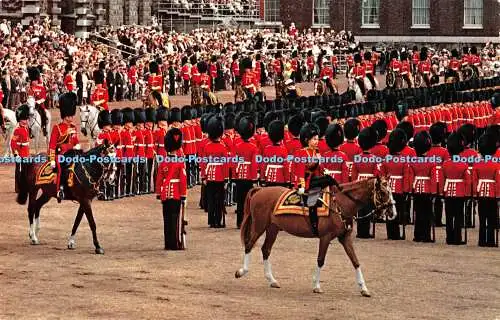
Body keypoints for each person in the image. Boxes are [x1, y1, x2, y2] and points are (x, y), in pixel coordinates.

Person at [294, 123, 338, 237]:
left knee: (328, 179)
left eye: (317, 139)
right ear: (307, 140)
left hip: (316, 179)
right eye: (314, 139)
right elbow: (299, 171)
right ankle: (314, 227)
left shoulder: (316, 152)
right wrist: (301, 186)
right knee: (312, 203)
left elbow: (320, 167)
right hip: (307, 182)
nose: (317, 141)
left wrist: (325, 171)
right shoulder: (301, 153)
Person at [156, 127, 187, 250]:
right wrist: (183, 195)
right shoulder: (180, 162)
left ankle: (168, 243)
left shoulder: (163, 162)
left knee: (166, 219)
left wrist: (159, 192)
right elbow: (183, 180)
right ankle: (174, 243)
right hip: (176, 194)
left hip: (165, 194)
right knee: (175, 219)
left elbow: (159, 179)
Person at [48, 92, 80, 202]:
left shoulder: (73, 127)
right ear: (65, 115)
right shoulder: (57, 128)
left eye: (72, 115)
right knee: (61, 167)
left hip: (72, 153)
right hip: (60, 154)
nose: (71, 117)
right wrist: (52, 159)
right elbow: (52, 145)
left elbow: (75, 141)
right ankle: (60, 189)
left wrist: (77, 145)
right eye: (70, 115)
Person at [440, 132, 471, 245]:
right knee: (458, 216)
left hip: (448, 192)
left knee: (449, 216)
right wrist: (467, 194)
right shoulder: (463, 164)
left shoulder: (445, 164)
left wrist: (442, 193)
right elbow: (468, 181)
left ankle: (449, 238)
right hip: (460, 193)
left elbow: (443, 180)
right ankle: (457, 238)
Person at [381, 129, 410, 240]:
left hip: (388, 187)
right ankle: (396, 234)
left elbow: (383, 176)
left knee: (389, 210)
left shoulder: (386, 159)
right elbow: (406, 177)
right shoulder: (403, 160)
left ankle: (390, 233)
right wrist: (406, 190)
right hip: (399, 188)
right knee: (397, 210)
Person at [201, 115, 229, 228]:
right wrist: (226, 179)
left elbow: (203, 163)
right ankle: (218, 220)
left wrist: (203, 177)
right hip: (220, 176)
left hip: (210, 176)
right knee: (219, 200)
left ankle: (211, 221)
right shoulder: (223, 147)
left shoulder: (207, 146)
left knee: (211, 199)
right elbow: (225, 165)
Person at [408, 131, 436, 243]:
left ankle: (417, 235)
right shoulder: (431, 162)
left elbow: (410, 177)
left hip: (416, 188)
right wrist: (434, 192)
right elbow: (433, 180)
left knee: (418, 212)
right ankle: (426, 236)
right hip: (427, 189)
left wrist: (410, 190)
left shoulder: (413, 161)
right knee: (427, 213)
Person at [352, 127, 379, 238]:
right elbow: (376, 174)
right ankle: (365, 232)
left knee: (360, 208)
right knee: (367, 207)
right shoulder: (374, 158)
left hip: (359, 182)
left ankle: (360, 231)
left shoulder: (357, 158)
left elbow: (354, 174)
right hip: (369, 183)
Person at [472, 134, 499, 247]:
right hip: (492, 194)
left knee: (482, 218)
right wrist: (498, 196)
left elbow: (474, 181)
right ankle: (491, 240)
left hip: (481, 192)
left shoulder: (477, 165)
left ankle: (482, 240)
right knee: (492, 218)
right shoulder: (496, 165)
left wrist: (474, 195)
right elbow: (498, 182)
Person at [233, 116, 259, 228]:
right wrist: (254, 178)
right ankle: (247, 222)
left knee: (240, 201)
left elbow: (234, 163)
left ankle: (239, 222)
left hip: (239, 176)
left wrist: (234, 176)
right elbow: (254, 165)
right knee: (248, 201)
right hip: (248, 177)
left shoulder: (237, 145)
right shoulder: (253, 147)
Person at [427, 122, 450, 227]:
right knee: (439, 201)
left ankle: (430, 218)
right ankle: (438, 220)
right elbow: (446, 166)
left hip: (429, 178)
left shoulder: (427, 151)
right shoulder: (444, 151)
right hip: (440, 178)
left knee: (429, 200)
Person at [261, 120, 289, 187]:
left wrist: (262, 178)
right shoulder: (283, 149)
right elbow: (286, 167)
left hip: (268, 178)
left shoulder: (267, 149)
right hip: (280, 179)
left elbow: (264, 165)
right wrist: (287, 181)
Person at [11, 104, 30, 194]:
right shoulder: (17, 130)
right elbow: (13, 142)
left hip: (25, 151)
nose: (25, 121)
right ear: (20, 119)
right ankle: (17, 187)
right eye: (23, 119)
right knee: (19, 170)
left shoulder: (26, 127)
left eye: (26, 119)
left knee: (25, 170)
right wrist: (16, 153)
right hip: (19, 152)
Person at [95, 110, 114, 200]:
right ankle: (102, 193)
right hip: (103, 158)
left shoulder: (110, 134)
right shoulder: (101, 135)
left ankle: (109, 193)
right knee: (103, 176)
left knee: (110, 175)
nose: (108, 127)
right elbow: (98, 147)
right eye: (106, 125)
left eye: (109, 125)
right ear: (103, 126)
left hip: (110, 158)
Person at [27, 67, 48, 136]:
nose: (34, 82)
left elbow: (44, 97)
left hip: (40, 105)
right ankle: (29, 128)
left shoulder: (41, 88)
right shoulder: (30, 88)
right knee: (26, 114)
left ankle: (44, 127)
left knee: (44, 114)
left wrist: (38, 102)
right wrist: (32, 102)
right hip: (32, 105)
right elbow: (29, 96)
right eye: (33, 81)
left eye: (35, 81)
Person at [120, 108, 135, 197]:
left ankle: (129, 190)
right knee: (124, 175)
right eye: (130, 123)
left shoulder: (130, 132)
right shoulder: (123, 132)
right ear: (126, 123)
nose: (131, 124)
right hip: (125, 156)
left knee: (130, 175)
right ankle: (122, 191)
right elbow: (123, 147)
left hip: (131, 156)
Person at [110, 109, 124, 198]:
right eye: (116, 124)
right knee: (113, 175)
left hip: (121, 156)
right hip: (114, 157)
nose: (118, 126)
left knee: (119, 175)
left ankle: (118, 192)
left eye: (119, 124)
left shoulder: (122, 133)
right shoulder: (112, 134)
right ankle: (112, 192)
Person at [134, 108, 147, 195]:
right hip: (137, 154)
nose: (141, 125)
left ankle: (142, 188)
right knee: (137, 172)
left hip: (144, 154)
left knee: (143, 172)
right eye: (140, 124)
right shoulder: (135, 132)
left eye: (142, 124)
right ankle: (136, 189)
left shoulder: (145, 132)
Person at [144, 107, 156, 194]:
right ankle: (145, 187)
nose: (150, 124)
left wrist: (154, 151)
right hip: (144, 154)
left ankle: (148, 187)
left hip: (151, 154)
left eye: (151, 122)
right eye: (149, 122)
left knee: (150, 170)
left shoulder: (153, 132)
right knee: (145, 171)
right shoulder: (143, 132)